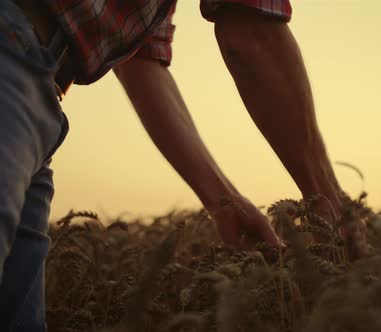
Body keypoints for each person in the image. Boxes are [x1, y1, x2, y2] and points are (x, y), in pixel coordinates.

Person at [0, 0, 346, 329]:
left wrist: (223, 200)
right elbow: (252, 34)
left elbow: (140, 61)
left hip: (36, 91)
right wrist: (328, 199)